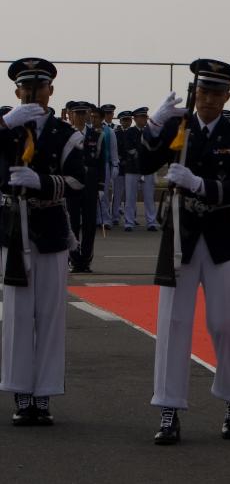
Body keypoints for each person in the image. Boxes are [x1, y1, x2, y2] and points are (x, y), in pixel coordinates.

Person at [135, 60, 230, 445]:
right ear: (195, 93)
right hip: (180, 235)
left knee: (228, 325)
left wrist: (200, 184)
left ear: (227, 97)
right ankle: (169, 410)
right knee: (173, 325)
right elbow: (142, 161)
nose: (208, 99)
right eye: (203, 92)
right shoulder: (178, 126)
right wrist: (153, 127)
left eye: (216, 93)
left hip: (221, 237)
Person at [1, 58, 86, 426]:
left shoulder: (65, 133)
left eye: (40, 88)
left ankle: (44, 394)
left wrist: (45, 182)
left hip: (50, 225)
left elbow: (82, 180)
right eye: (27, 88)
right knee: (18, 314)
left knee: (50, 314)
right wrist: (4, 125)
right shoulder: (6, 125)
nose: (34, 94)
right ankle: (21, 392)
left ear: (52, 91)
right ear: (17, 91)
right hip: (12, 227)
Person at [67, 102, 102, 273]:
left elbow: (101, 160)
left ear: (88, 114)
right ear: (71, 115)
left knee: (89, 224)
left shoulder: (95, 135)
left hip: (90, 183)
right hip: (72, 185)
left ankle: (86, 260)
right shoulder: (66, 134)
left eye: (83, 113)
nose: (80, 116)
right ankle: (74, 259)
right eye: (77, 113)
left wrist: (101, 185)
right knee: (72, 223)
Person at [124, 106, 157, 231]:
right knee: (130, 197)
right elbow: (129, 149)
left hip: (147, 169)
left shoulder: (150, 131)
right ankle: (129, 222)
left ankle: (151, 222)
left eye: (145, 117)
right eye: (142, 117)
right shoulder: (129, 132)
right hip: (132, 168)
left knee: (149, 197)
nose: (144, 119)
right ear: (135, 118)